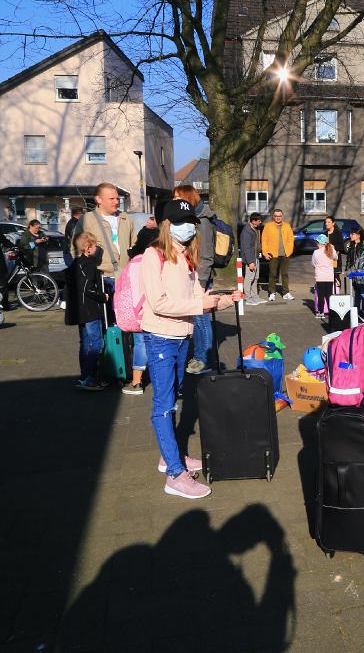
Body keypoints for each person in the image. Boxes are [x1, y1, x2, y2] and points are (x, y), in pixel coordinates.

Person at [140, 197, 240, 499]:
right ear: (167, 225)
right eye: (181, 223)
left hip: (182, 337)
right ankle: (174, 473)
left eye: (191, 224)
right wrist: (199, 304)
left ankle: (169, 456)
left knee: (174, 399)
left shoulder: (186, 257)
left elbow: (198, 298)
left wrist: (226, 300)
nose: (188, 229)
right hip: (160, 338)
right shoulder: (153, 255)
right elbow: (158, 303)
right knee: (163, 406)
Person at [178, 185, 219, 375]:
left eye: (178, 197)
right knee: (198, 320)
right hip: (193, 277)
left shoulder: (203, 222)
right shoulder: (194, 219)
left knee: (202, 320)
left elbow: (207, 256)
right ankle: (200, 356)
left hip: (200, 279)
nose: (175, 201)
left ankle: (204, 359)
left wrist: (201, 284)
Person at [66, 232, 109, 391]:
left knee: (85, 344)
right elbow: (87, 288)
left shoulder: (75, 264)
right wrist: (102, 296)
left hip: (80, 311)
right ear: (88, 247)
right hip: (90, 310)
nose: (97, 248)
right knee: (97, 343)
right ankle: (90, 378)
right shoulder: (89, 264)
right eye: (95, 245)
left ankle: (84, 376)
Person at [123, 213, 160, 396]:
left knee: (140, 342)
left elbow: (130, 289)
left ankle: (137, 382)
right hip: (160, 307)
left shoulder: (136, 262)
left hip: (140, 309)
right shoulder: (162, 259)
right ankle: (161, 379)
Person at [71, 183, 135, 285]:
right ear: (99, 199)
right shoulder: (87, 220)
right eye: (111, 199)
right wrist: (87, 273)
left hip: (125, 276)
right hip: (100, 278)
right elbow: (75, 250)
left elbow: (135, 245)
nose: (116, 202)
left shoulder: (125, 219)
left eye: (117, 198)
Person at [261, 208, 295, 302]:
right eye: (276, 216)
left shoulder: (287, 226)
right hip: (273, 254)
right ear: (273, 216)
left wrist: (289, 251)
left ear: (282, 216)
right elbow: (264, 240)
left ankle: (286, 292)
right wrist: (265, 253)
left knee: (285, 274)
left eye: (280, 216)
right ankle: (272, 292)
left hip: (285, 254)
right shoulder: (268, 226)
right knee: (272, 274)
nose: (278, 218)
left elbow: (291, 239)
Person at [239, 212, 264, 306]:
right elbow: (246, 248)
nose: (260, 222)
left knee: (255, 277)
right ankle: (248, 297)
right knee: (249, 278)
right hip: (251, 258)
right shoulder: (247, 231)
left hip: (255, 257)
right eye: (259, 221)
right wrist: (250, 262)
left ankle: (255, 296)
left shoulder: (255, 229)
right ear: (253, 221)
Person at [311, 234, 336, 320]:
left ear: (319, 243)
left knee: (321, 295)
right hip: (329, 277)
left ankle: (320, 312)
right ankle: (331, 312)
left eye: (317, 242)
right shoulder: (331, 250)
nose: (316, 244)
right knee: (329, 295)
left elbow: (313, 263)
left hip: (320, 277)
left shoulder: (316, 252)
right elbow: (336, 258)